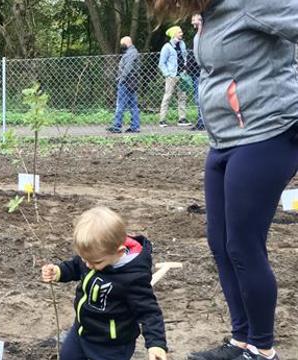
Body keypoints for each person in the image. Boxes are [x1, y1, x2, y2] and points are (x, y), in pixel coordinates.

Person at [152, 1, 298, 360]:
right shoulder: (214, 10)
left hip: (266, 135)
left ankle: (262, 350)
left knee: (244, 247)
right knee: (220, 243)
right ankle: (241, 340)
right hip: (224, 141)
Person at [41, 207, 167, 360]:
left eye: (95, 262)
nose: (87, 265)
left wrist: (156, 343)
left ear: (119, 252)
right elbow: (76, 266)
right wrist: (58, 272)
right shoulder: (94, 255)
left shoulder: (133, 277)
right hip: (82, 330)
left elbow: (149, 312)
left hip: (111, 345)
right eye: (84, 259)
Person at [107, 36, 141, 134]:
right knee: (133, 105)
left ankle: (117, 126)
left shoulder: (131, 53)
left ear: (127, 42)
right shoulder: (132, 52)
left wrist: (121, 79)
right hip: (132, 82)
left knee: (120, 104)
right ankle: (135, 126)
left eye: (122, 43)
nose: (121, 46)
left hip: (126, 82)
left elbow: (128, 67)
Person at [158, 26, 190, 128]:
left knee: (183, 97)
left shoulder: (182, 44)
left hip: (182, 75)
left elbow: (185, 57)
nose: (181, 34)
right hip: (172, 76)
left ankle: (182, 119)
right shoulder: (167, 47)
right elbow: (161, 63)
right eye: (179, 32)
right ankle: (162, 120)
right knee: (167, 97)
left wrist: (185, 70)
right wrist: (167, 74)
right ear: (174, 34)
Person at [188, 14, 205, 131]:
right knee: (198, 99)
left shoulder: (203, 35)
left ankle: (203, 122)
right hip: (195, 72)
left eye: (195, 19)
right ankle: (201, 121)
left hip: (201, 72)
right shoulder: (197, 36)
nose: (193, 21)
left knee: (201, 99)